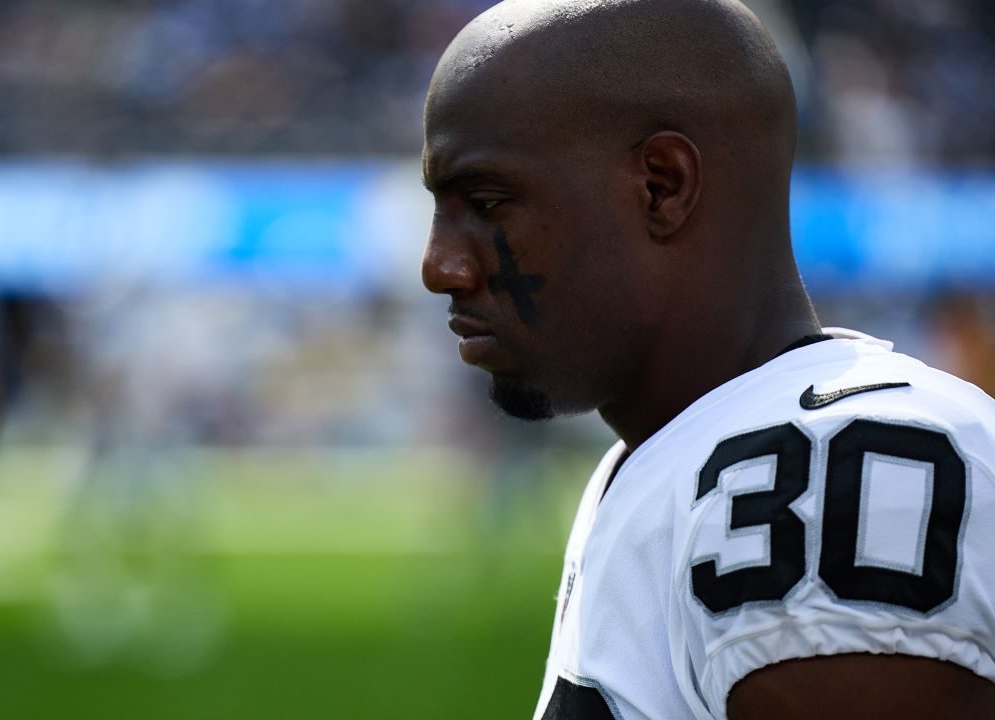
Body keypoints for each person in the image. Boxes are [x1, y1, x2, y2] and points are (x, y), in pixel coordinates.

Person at [418, 1, 995, 718]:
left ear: (663, 185)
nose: (440, 266)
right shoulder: (694, 444)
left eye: (489, 201)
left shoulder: (826, 466)